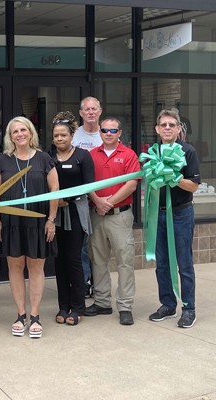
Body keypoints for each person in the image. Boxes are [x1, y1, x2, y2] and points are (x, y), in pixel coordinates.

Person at [0, 116, 58, 338]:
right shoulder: (2, 161)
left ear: (30, 132)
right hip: (11, 222)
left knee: (36, 267)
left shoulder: (44, 159)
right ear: (10, 137)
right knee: (15, 267)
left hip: (38, 221)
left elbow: (55, 192)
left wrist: (51, 220)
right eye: (14, 131)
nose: (19, 134)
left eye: (23, 130)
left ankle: (36, 316)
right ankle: (20, 314)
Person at [85, 116, 140, 326]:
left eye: (113, 130)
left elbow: (131, 184)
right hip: (96, 214)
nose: (108, 133)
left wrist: (109, 203)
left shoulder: (128, 154)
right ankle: (102, 302)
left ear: (120, 133)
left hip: (120, 216)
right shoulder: (91, 155)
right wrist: (98, 201)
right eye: (105, 130)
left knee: (124, 261)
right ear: (99, 132)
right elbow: (87, 184)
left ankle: (125, 306)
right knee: (98, 260)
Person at [148, 109, 200, 328]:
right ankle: (167, 304)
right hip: (157, 214)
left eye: (172, 124)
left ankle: (188, 309)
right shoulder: (153, 152)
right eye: (164, 125)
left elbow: (193, 185)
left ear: (179, 128)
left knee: (184, 263)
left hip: (181, 213)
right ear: (157, 129)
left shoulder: (187, 151)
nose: (167, 128)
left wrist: (173, 176)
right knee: (161, 264)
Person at [48, 111, 94, 325]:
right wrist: (56, 204)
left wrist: (67, 199)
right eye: (56, 135)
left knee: (74, 259)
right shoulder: (48, 156)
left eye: (63, 135)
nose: (59, 139)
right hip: (55, 214)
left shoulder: (83, 156)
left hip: (75, 211)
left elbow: (88, 185)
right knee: (59, 260)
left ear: (72, 135)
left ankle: (77, 307)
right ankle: (63, 306)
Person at [72, 96, 104, 299]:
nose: (91, 112)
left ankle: (100, 284)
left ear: (100, 111)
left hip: (104, 199)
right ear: (81, 113)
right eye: (87, 109)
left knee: (99, 245)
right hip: (81, 199)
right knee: (83, 244)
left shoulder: (108, 133)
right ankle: (84, 282)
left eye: (94, 109)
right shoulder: (74, 136)